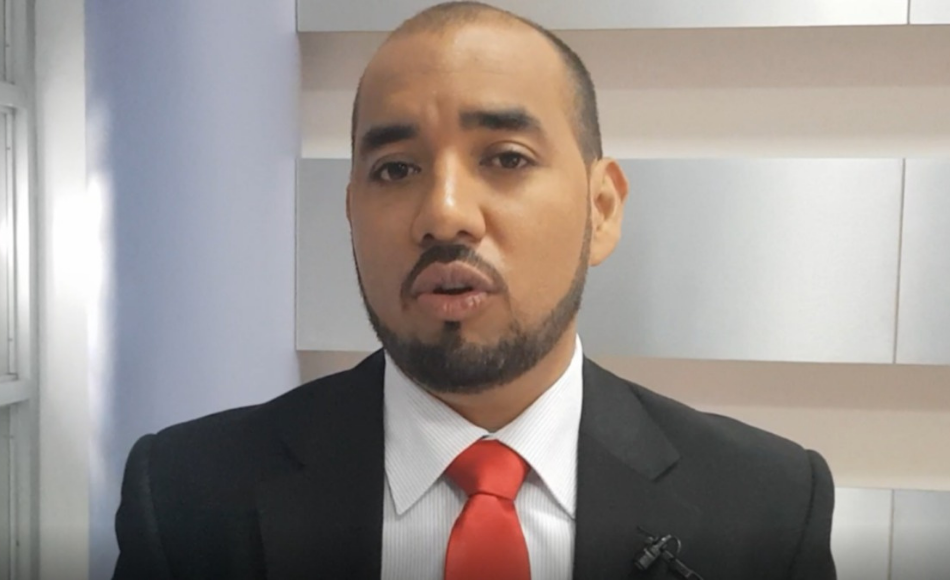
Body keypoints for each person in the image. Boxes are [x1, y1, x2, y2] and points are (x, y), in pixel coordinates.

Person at [112, 2, 836, 579]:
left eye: (506, 158)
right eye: (396, 169)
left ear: (601, 209)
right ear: (351, 212)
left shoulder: (767, 504)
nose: (445, 213)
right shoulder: (188, 498)